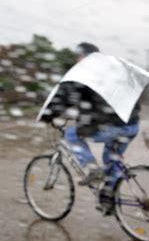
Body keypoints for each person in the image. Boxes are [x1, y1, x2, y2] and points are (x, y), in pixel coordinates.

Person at [40, 42, 141, 206]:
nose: (76, 60)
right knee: (111, 159)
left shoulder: (85, 71)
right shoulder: (115, 69)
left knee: (71, 134)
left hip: (114, 126)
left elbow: (64, 96)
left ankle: (92, 169)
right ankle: (109, 197)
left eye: (78, 56)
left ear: (84, 56)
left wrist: (48, 116)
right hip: (132, 125)